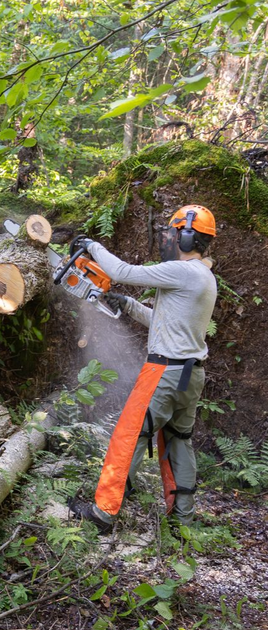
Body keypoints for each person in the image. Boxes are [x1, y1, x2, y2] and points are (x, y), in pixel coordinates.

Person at [69, 205, 218, 534]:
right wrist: (128, 305)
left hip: (164, 372)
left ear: (186, 236)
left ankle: (103, 513)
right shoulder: (203, 277)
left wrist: (91, 245)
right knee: (179, 441)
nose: (169, 239)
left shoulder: (183, 271)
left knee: (129, 435)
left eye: (173, 233)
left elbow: (121, 271)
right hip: (190, 375)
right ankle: (182, 520)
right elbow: (166, 322)